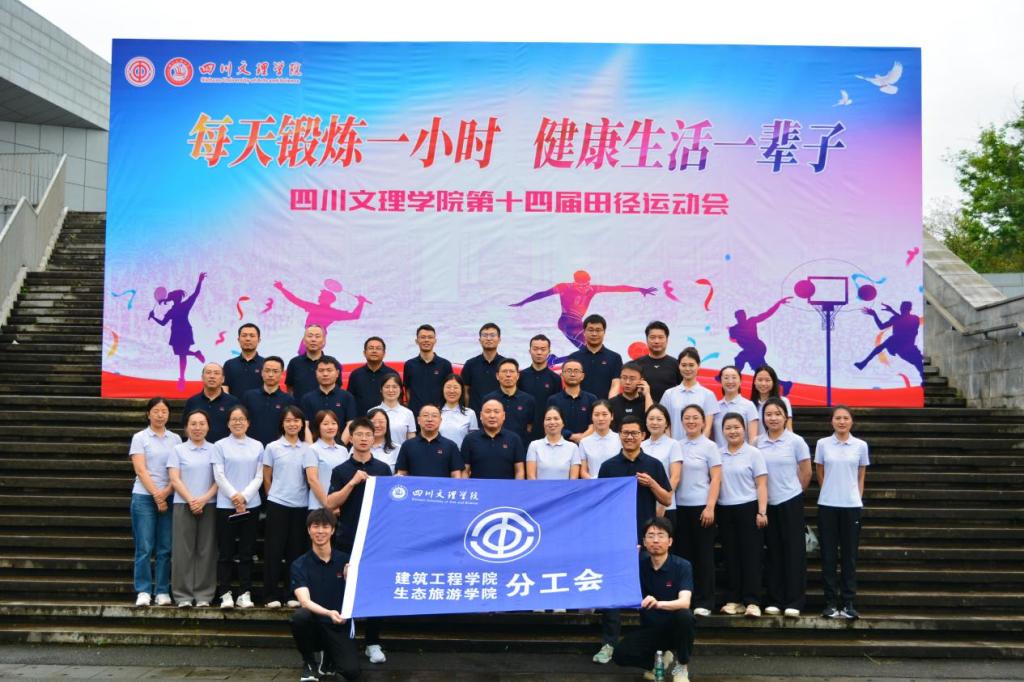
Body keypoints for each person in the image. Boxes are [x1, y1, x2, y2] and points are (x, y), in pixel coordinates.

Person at [594, 415, 672, 663]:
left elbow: (667, 499)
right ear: (619, 435)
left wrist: (652, 484)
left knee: (651, 592)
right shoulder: (608, 466)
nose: (630, 437)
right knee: (613, 593)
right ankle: (609, 643)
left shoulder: (653, 464)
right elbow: (600, 503)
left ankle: (656, 644)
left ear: (643, 436)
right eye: (625, 433)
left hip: (647, 538)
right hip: (616, 537)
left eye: (634, 433)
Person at [327, 417, 392, 666]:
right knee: (343, 593)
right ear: (351, 438)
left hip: (375, 541)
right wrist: (352, 483)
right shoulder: (341, 470)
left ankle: (373, 642)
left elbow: (390, 505)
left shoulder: (383, 469)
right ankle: (344, 641)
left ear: (374, 438)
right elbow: (330, 503)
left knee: (375, 591)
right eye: (359, 434)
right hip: (346, 539)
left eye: (368, 435)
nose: (364, 439)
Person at [611, 517, 696, 682]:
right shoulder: (639, 564)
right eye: (650, 536)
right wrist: (627, 559)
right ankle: (658, 663)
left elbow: (685, 602)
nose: (655, 540)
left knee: (685, 616)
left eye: (661, 535)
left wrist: (658, 604)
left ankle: (682, 666)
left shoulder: (682, 566)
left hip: (675, 628)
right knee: (620, 655)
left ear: (670, 541)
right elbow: (616, 579)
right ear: (644, 541)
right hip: (651, 629)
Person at [509, 270, 655, 355]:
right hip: (568, 321)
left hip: (574, 322)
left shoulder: (592, 289)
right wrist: (523, 302)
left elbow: (616, 288)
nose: (585, 287)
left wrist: (639, 289)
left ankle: (555, 360)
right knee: (593, 350)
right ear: (575, 282)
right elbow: (542, 294)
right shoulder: (564, 287)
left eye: (587, 284)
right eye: (581, 285)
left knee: (586, 354)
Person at [289, 508, 360, 682]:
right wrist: (328, 613)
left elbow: (361, 594)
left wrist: (351, 579)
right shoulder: (299, 564)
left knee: (351, 672)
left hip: (338, 625)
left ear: (333, 530)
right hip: (315, 624)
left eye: (325, 526)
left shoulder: (346, 561)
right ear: (309, 530)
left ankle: (329, 656)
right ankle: (309, 663)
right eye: (315, 526)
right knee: (300, 617)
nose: (320, 531)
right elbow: (305, 601)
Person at [758, 398, 811, 618]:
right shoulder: (757, 442)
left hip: (790, 500)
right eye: (768, 414)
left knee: (793, 552)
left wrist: (795, 492)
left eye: (777, 414)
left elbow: (806, 472)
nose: (773, 418)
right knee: (773, 551)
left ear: (785, 417)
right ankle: (775, 599)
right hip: (767, 504)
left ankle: (794, 600)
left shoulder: (796, 441)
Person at [815, 405, 870, 620]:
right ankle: (830, 602)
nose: (841, 422)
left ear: (851, 421)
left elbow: (861, 475)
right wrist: (829, 490)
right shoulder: (822, 444)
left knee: (849, 556)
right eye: (837, 418)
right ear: (832, 421)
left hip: (851, 506)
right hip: (827, 505)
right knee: (828, 556)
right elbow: (820, 471)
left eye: (845, 418)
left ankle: (847, 602)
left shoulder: (860, 446)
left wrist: (857, 497)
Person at [262, 406, 318, 608]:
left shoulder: (308, 449)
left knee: (296, 551)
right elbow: (266, 477)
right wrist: (273, 496)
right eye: (288, 420)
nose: (292, 424)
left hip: (301, 505)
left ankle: (292, 593)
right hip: (278, 503)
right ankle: (270, 595)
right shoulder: (272, 447)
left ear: (302, 424)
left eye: (296, 420)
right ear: (282, 424)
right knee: (274, 551)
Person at [129, 397, 181, 607]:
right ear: (148, 414)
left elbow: (178, 470)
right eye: (156, 411)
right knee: (144, 546)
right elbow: (140, 470)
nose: (160, 415)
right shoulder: (140, 437)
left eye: (164, 411)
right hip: (143, 497)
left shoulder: (175, 439)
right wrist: (157, 495)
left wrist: (165, 493)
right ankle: (143, 590)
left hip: (169, 495)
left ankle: (162, 590)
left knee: (165, 547)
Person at [716, 413, 768, 618]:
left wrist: (762, 511)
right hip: (724, 508)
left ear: (744, 429)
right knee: (731, 556)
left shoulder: (753, 453)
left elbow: (761, 484)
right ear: (722, 431)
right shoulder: (718, 454)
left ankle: (752, 601)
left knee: (751, 556)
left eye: (736, 427)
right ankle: (734, 599)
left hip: (749, 507)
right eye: (728, 428)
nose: (733, 431)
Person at [212, 405, 262, 610]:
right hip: (226, 505)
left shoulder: (258, 446)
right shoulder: (220, 445)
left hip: (251, 505)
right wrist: (234, 496)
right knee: (225, 551)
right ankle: (225, 593)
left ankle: (244, 592)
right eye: (234, 419)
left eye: (241, 419)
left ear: (248, 423)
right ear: (228, 423)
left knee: (246, 551)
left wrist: (244, 496)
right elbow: (219, 475)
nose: (238, 422)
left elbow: (259, 475)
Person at [674, 405, 721, 617]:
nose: (691, 421)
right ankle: (686, 598)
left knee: (704, 556)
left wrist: (710, 506)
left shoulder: (710, 446)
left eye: (695, 418)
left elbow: (716, 478)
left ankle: (705, 601)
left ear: (703, 422)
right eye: (687, 418)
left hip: (702, 507)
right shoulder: (677, 445)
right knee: (683, 556)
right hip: (680, 507)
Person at [167, 409, 218, 608]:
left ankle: (204, 594)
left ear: (208, 427)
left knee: (207, 550)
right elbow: (174, 479)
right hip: (183, 504)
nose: (198, 428)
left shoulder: (215, 449)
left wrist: (203, 500)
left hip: (209, 504)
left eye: (202, 424)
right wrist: (191, 500)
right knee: (182, 551)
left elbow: (219, 479)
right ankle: (183, 596)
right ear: (186, 427)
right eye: (193, 424)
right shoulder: (178, 450)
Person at [274, 278, 369, 356]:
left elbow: (294, 300)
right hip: (314, 336)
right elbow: (355, 316)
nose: (319, 297)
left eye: (322, 295)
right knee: (305, 357)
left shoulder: (317, 308)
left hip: (313, 336)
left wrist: (281, 289)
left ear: (329, 299)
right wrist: (361, 302)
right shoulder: (332, 312)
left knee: (306, 357)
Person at [148, 273, 206, 391]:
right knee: (180, 354)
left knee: (182, 355)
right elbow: (163, 323)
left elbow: (196, 294)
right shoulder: (174, 310)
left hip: (184, 332)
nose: (176, 298)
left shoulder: (184, 306)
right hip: (177, 333)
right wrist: (153, 317)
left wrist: (200, 281)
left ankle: (182, 379)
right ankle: (195, 354)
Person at [854, 301, 924, 381]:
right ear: (910, 309)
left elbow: (881, 326)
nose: (901, 309)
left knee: (918, 363)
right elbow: (903, 319)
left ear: (901, 309)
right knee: (918, 363)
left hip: (898, 346)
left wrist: (874, 315)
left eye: (902, 308)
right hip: (908, 347)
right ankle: (864, 363)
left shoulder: (896, 319)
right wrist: (892, 311)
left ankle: (864, 363)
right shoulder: (915, 319)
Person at [660, 347, 718, 441]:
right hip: (675, 447)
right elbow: (665, 425)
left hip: (699, 448)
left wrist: (699, 446)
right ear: (679, 366)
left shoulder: (708, 395)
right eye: (684, 365)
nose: (687, 369)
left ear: (698, 366)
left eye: (691, 365)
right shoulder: (669, 394)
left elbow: (708, 428)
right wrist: (671, 446)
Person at [461, 399, 525, 479]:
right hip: (478, 487)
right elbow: (465, 471)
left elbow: (519, 471)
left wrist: (517, 487)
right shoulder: (470, 439)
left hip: (507, 487)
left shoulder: (514, 439)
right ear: (481, 415)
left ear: (503, 416)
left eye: (496, 412)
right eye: (488, 412)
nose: (492, 416)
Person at [300, 357, 357, 444]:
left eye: (329, 370)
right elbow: (305, 425)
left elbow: (350, 424)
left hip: (341, 448)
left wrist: (340, 447)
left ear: (337, 373)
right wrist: (312, 447)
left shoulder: (347, 397)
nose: (325, 374)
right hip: (314, 447)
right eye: (321, 370)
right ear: (316, 373)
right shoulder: (307, 398)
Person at [395, 405, 463, 478]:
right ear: (418, 420)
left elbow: (456, 475)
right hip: (416, 486)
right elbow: (401, 474)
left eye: (434, 416)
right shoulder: (407, 445)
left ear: (440, 420)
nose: (430, 419)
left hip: (441, 486)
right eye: (425, 415)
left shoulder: (450, 446)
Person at [241, 356, 296, 446]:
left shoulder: (288, 400)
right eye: (267, 371)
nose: (270, 375)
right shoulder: (249, 396)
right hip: (250, 447)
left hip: (278, 448)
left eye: (275, 371)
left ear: (282, 374)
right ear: (262, 372)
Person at [728, 297, 791, 374]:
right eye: (741, 316)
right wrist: (732, 333)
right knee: (754, 365)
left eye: (743, 316)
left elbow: (767, 314)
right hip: (753, 349)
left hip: (757, 348)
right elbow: (733, 339)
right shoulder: (734, 329)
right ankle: (780, 382)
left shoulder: (748, 323)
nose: (742, 318)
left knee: (742, 358)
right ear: (737, 318)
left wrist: (778, 303)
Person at [403, 324, 453, 419]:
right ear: (417, 341)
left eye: (430, 337)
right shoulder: (409, 365)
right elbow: (408, 390)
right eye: (423, 337)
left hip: (439, 416)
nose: (426, 340)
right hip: (416, 416)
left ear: (435, 341)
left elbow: (449, 390)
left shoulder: (445, 365)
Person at [567, 314, 624, 398]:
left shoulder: (615, 357)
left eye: (598, 330)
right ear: (584, 332)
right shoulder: (574, 358)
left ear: (604, 332)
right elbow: (570, 384)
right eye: (590, 330)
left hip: (605, 404)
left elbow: (616, 384)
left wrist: (609, 404)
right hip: (579, 404)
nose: (594, 334)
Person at [482, 358, 535, 446]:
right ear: (497, 376)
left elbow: (530, 427)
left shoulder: (528, 400)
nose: (508, 375)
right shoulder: (489, 399)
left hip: (520, 448)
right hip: (494, 447)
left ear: (518, 376)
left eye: (511, 371)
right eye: (504, 371)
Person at [641, 405, 682, 519]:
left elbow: (675, 477)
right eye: (651, 419)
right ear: (646, 422)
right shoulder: (641, 445)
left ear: (666, 423)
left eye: (659, 419)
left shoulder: (673, 444)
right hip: (644, 505)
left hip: (666, 507)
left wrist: (663, 504)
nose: (655, 422)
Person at [517, 334, 562, 435]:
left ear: (549, 352)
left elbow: (557, 407)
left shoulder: (555, 378)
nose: (539, 352)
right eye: (535, 349)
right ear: (530, 351)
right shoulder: (520, 376)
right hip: (523, 429)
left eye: (543, 349)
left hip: (547, 430)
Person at [182, 363, 239, 443]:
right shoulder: (192, 401)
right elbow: (186, 426)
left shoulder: (233, 402)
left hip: (224, 448)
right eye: (208, 373)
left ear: (223, 379)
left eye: (216, 373)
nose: (212, 376)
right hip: (198, 448)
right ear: (202, 377)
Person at [546, 359, 597, 443]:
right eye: (569, 371)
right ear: (562, 375)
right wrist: (571, 436)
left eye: (576, 371)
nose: (572, 374)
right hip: (560, 444)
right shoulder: (553, 400)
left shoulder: (591, 399)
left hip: (587, 444)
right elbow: (550, 424)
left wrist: (582, 438)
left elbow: (594, 424)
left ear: (582, 376)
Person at [346, 336, 399, 416]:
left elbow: (398, 399)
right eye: (371, 348)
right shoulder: (356, 374)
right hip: (361, 421)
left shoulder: (392, 374)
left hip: (386, 420)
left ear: (384, 353)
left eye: (378, 348)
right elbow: (350, 400)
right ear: (364, 353)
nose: (374, 351)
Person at [526, 406, 582, 480]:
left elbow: (573, 479)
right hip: (540, 487)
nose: (552, 422)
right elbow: (531, 477)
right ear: (543, 423)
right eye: (548, 419)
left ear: (563, 423)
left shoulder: (573, 448)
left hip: (565, 488)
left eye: (556, 419)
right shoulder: (534, 445)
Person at [307, 411, 348, 511]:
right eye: (325, 424)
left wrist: (338, 505)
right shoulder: (312, 449)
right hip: (319, 507)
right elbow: (312, 480)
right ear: (318, 427)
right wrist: (328, 504)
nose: (330, 427)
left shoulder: (343, 450)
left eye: (333, 423)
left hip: (342, 507)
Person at [461, 322, 505, 414]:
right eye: (485, 335)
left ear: (499, 339)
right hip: (475, 416)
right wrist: (468, 413)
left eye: (492, 335)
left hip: (499, 417)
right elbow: (465, 392)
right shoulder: (470, 364)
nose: (488, 338)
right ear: (480, 340)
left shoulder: (505, 364)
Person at [634, 321, 681, 403]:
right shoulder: (636, 364)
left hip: (669, 409)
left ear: (667, 339)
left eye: (660, 337)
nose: (656, 341)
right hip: (642, 408)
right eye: (652, 337)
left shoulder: (676, 364)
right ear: (647, 339)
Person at [713, 366, 759, 447]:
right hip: (719, 454)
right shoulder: (715, 407)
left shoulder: (749, 406)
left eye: (734, 377)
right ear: (720, 381)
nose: (730, 381)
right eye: (726, 378)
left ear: (740, 381)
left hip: (743, 454)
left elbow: (753, 440)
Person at [578, 400, 619, 479]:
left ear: (612, 416)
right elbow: (583, 471)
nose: (600, 418)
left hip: (616, 484)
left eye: (604, 414)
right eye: (596, 415)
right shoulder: (584, 442)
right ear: (591, 417)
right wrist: (594, 482)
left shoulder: (620, 439)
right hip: (593, 484)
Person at [286, 325, 328, 399]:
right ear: (304, 341)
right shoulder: (294, 363)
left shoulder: (331, 364)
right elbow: (290, 388)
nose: (313, 339)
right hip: (299, 406)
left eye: (317, 336)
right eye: (310, 336)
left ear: (324, 341)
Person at [223, 323, 265, 397]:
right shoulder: (229, 364)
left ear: (259, 340)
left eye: (252, 336)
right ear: (238, 340)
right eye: (244, 335)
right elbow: (224, 388)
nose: (248, 339)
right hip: (234, 404)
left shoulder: (265, 364)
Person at [609, 362, 653, 431]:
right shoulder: (611, 403)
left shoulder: (647, 402)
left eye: (632, 379)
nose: (627, 382)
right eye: (624, 378)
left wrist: (647, 394)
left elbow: (652, 420)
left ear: (641, 381)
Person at [373, 374, 415, 445]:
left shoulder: (408, 413)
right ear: (381, 389)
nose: (391, 390)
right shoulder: (372, 412)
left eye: (394, 387)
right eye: (387, 387)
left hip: (401, 452)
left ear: (401, 390)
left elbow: (411, 440)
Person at [439, 374, 478, 448]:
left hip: (461, 454)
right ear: (443, 389)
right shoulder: (435, 413)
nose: (452, 391)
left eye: (456, 387)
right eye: (448, 387)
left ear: (462, 390)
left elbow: (473, 442)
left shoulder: (470, 413)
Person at [749, 364, 793, 430]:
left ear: (774, 382)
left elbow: (789, 429)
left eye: (767, 380)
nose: (763, 384)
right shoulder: (750, 405)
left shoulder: (783, 401)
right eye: (760, 380)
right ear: (754, 382)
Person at [367, 408, 399, 473]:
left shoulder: (398, 449)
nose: (377, 425)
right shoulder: (357, 448)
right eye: (373, 422)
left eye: (381, 422)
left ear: (387, 424)